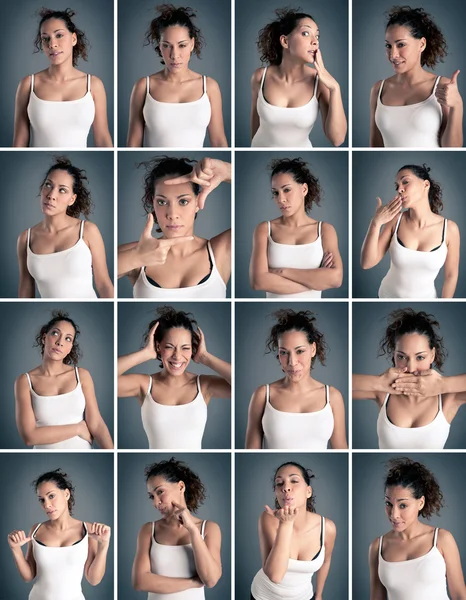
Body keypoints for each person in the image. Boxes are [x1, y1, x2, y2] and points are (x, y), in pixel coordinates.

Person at [118, 306, 231, 449]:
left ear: (192, 349)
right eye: (170, 347)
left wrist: (205, 357)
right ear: (158, 347)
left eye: (185, 348)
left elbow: (241, 385)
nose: (177, 356)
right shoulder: (145, 385)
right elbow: (104, 380)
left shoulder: (203, 385)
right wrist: (145, 353)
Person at [118, 156, 231, 298]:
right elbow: (91, 273)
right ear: (153, 203)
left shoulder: (221, 250)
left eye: (183, 201)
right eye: (162, 202)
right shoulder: (137, 251)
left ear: (197, 202)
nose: (172, 214)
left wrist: (227, 171)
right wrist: (136, 257)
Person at [353, 308, 466, 449]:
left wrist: (443, 384)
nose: (411, 368)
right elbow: (341, 387)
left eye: (420, 357)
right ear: (393, 354)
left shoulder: (448, 398)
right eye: (401, 356)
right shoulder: (383, 392)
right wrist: (378, 382)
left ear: (432, 355)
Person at [127, 4, 227, 147]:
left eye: (182, 45)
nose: (174, 55)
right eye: (167, 45)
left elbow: (218, 141)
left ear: (192, 44)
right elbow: (133, 145)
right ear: (159, 46)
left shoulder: (209, 87)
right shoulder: (144, 86)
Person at [246, 309, 347, 449]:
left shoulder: (332, 397)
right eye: (284, 353)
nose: (292, 362)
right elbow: (251, 452)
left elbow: (341, 450)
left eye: (299, 351)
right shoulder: (263, 395)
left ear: (313, 349)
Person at [13, 8, 112, 148]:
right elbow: (19, 143)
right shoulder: (28, 84)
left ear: (73, 39)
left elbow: (102, 138)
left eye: (59, 35)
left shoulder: (93, 85)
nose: (52, 44)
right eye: (45, 38)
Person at [17, 156, 114, 299]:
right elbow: (26, 287)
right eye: (48, 185)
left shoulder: (87, 231)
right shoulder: (26, 238)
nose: (51, 195)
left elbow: (104, 284)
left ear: (72, 199)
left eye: (62, 190)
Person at [14, 310, 114, 449]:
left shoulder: (82, 375)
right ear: (44, 338)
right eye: (55, 333)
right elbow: (29, 437)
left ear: (70, 347)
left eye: (68, 338)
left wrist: (111, 453)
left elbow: (96, 423)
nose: (60, 342)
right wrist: (78, 428)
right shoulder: (25, 381)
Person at [368, 457, 466, 599]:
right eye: (389, 504)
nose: (394, 514)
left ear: (420, 503)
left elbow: (460, 595)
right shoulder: (377, 547)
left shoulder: (442, 540)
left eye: (403, 505)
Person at [7, 468, 111, 599]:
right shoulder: (36, 530)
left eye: (51, 496)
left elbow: (93, 580)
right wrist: (15, 549)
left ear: (66, 494)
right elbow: (28, 576)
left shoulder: (88, 530)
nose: (47, 505)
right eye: (42, 499)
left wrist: (104, 545)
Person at [250, 7, 347, 148]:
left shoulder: (319, 82)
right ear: (285, 41)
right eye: (306, 33)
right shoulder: (260, 77)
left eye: (317, 36)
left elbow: (337, 140)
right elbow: (255, 121)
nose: (315, 41)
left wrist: (335, 89)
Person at [360, 163, 460, 298]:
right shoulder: (395, 220)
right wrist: (375, 223)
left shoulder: (450, 229)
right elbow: (367, 263)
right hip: (387, 296)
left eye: (405, 182)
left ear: (425, 185)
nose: (400, 189)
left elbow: (451, 275)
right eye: (397, 186)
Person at [370, 6, 463, 148]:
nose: (393, 54)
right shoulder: (378, 89)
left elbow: (452, 148)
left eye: (401, 44)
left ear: (422, 44)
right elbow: (375, 147)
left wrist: (457, 105)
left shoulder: (441, 86)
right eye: (388, 45)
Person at [249, 157, 343, 297]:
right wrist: (315, 282)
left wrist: (281, 272)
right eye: (275, 193)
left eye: (286, 190)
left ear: (304, 189)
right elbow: (258, 282)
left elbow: (335, 279)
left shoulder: (325, 230)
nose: (281, 199)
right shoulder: (264, 229)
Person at [132, 458, 222, 598]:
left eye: (160, 492)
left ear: (181, 486)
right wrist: (192, 582)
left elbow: (210, 579)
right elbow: (139, 581)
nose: (156, 502)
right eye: (152, 496)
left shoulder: (209, 528)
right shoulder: (149, 530)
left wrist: (192, 529)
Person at [250, 461, 336, 600]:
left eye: (294, 481)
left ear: (308, 491)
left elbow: (326, 561)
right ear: (276, 493)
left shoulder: (327, 527)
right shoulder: (268, 519)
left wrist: (319, 594)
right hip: (263, 596)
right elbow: (275, 575)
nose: (286, 488)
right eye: (279, 483)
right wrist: (286, 523)